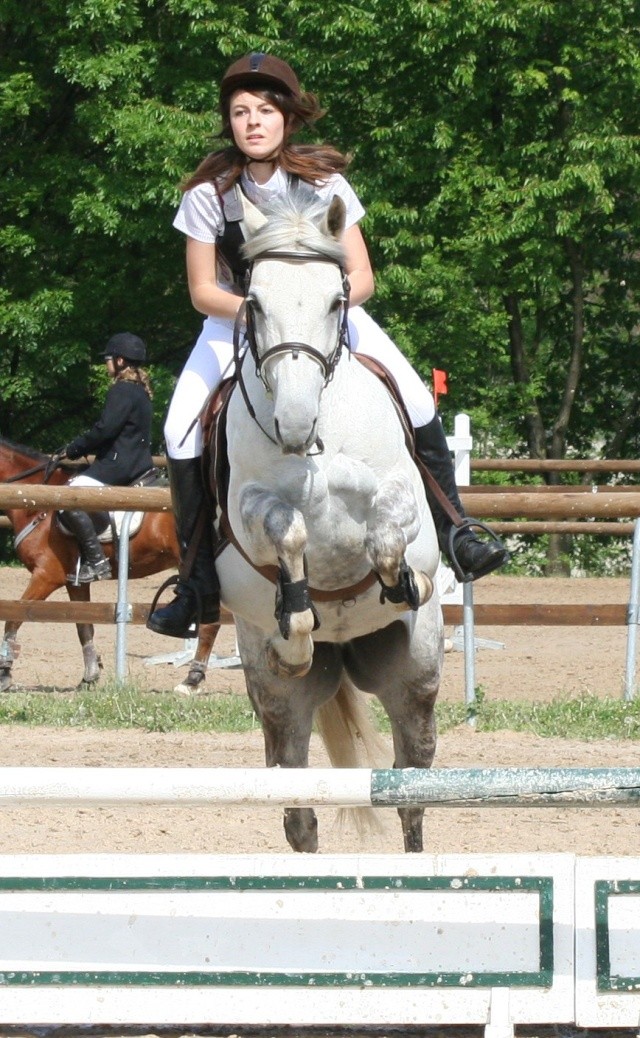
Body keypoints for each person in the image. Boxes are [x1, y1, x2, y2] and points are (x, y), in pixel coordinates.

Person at [147, 52, 508, 638]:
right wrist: (265, 316)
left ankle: (456, 531)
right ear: (229, 122)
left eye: (265, 110)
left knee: (415, 396)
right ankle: (196, 584)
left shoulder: (324, 185)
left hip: (327, 316)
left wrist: (312, 313)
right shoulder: (210, 193)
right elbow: (201, 290)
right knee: (178, 429)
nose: (253, 122)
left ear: (287, 117)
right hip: (237, 320)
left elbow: (362, 277)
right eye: (241, 112)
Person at [57, 332, 155, 584]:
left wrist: (73, 449)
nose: (106, 364)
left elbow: (105, 429)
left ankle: (96, 561)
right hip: (137, 464)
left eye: (109, 359)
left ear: (120, 361)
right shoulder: (141, 391)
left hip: (119, 467)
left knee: (68, 497)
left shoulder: (122, 390)